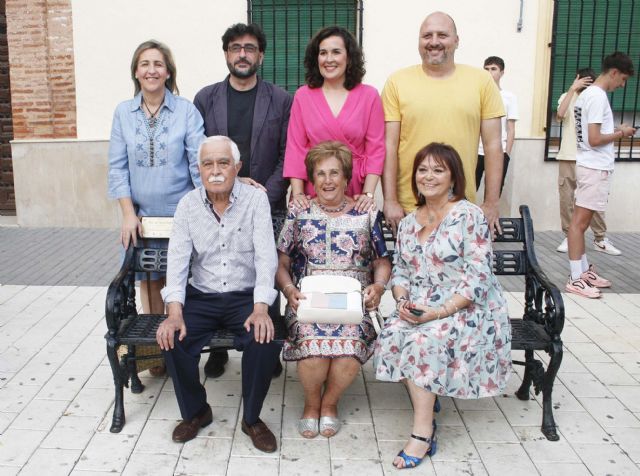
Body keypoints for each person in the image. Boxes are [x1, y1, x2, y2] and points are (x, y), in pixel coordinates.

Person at [374, 142, 511, 470]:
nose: (428, 176)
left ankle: (422, 433)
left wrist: (440, 311)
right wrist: (403, 299)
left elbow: (477, 278)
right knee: (393, 331)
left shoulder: (469, 215)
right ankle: (428, 396)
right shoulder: (408, 222)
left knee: (424, 340)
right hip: (422, 303)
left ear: (453, 178)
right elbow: (401, 270)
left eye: (438, 170)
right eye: (423, 170)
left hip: (469, 308)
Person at [156, 136, 281, 453]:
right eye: (208, 164)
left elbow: (267, 257)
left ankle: (251, 418)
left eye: (223, 163)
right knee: (173, 338)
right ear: (198, 169)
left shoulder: (255, 200)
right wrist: (173, 311)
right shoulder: (187, 205)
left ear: (237, 167)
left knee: (264, 338)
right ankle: (197, 411)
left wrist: (262, 306)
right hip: (203, 296)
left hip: (245, 297)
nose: (215, 170)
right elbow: (178, 261)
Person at [193, 23, 292, 378]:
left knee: (266, 266)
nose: (242, 54)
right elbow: (200, 153)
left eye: (250, 48)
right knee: (223, 266)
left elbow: (287, 153)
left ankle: (268, 347)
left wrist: (266, 191)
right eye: (235, 48)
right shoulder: (205, 99)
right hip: (218, 202)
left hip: (267, 199)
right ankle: (219, 350)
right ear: (226, 54)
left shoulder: (280, 99)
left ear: (260, 55)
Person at [276, 141, 391, 439]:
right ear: (312, 180)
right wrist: (288, 290)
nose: (328, 181)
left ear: (346, 177)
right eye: (320, 174)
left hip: (354, 302)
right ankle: (311, 405)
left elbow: (382, 261)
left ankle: (330, 403)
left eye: (334, 173)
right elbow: (281, 261)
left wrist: (378, 287)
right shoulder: (299, 213)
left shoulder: (366, 213)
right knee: (314, 353)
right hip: (307, 299)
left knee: (347, 352)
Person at [107, 39, 204, 377]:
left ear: (168, 72)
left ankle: (180, 345)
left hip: (181, 211)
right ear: (136, 71)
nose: (151, 70)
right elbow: (117, 167)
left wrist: (203, 207)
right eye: (145, 64)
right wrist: (128, 214)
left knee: (179, 280)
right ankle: (153, 353)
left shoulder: (186, 111)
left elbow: (197, 160)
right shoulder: (123, 112)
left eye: (158, 64)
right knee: (148, 280)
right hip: (142, 215)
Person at [381, 11, 505, 235]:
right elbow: (388, 146)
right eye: (427, 35)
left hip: (460, 206)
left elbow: (493, 145)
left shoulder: (482, 82)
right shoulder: (397, 82)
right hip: (410, 208)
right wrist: (390, 199)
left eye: (442, 35)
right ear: (419, 41)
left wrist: (491, 202)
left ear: (456, 41)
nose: (434, 42)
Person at [284, 26, 385, 212]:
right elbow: (295, 149)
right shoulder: (302, 96)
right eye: (323, 53)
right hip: (313, 190)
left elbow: (376, 149)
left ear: (349, 57)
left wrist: (368, 194)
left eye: (336, 52)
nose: (329, 59)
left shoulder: (369, 96)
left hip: (355, 190)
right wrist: (297, 194)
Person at [566, 52, 635, 298]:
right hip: (594, 167)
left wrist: (613, 130)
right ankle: (576, 277)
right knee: (579, 224)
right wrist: (622, 133)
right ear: (614, 72)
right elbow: (594, 139)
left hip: (590, 165)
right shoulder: (597, 97)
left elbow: (591, 133)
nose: (622, 85)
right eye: (623, 79)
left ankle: (583, 271)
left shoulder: (588, 95)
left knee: (581, 223)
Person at [555, 69, 622, 256]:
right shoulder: (570, 97)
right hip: (568, 155)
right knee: (567, 198)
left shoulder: (595, 98)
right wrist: (572, 90)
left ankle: (600, 237)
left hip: (588, 158)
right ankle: (569, 236)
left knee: (592, 202)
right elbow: (560, 115)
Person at [476, 56, 518, 194]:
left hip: (499, 152)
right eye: (486, 69)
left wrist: (507, 153)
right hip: (476, 152)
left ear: (502, 72)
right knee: (468, 190)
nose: (489, 72)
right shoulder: (476, 94)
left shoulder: (509, 97)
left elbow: (511, 128)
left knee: (493, 193)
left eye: (493, 69)